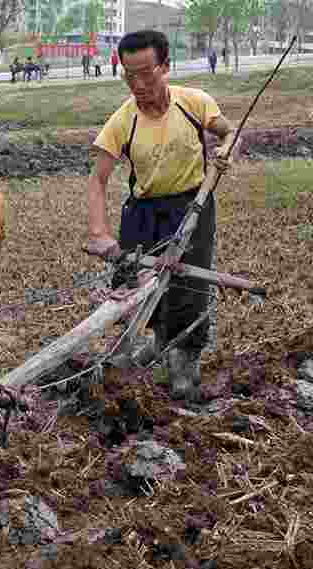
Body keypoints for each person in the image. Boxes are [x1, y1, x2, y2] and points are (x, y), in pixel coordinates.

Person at [84, 29, 237, 401]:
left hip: (192, 206)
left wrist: (226, 150)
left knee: (187, 286)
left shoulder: (194, 102)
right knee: (134, 285)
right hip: (143, 211)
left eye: (146, 73)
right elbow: (97, 180)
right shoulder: (123, 120)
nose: (137, 84)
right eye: (128, 75)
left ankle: (184, 359)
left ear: (165, 67)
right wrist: (100, 232)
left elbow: (229, 132)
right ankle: (155, 343)